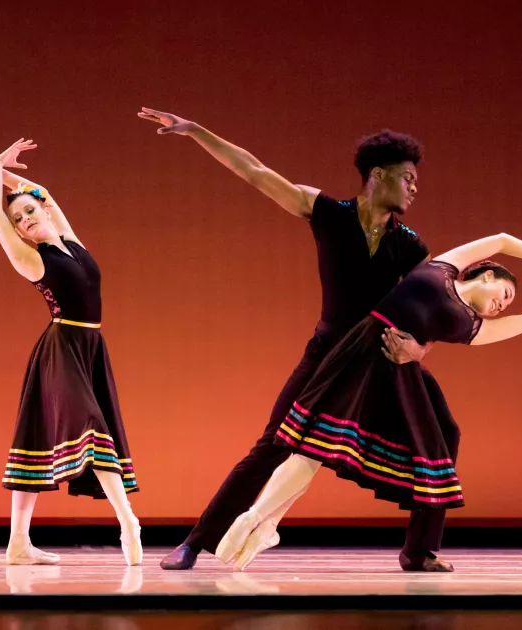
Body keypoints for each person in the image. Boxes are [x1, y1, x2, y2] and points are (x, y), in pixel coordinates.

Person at [139, 107, 459, 571]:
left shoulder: (410, 246)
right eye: (407, 177)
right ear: (378, 175)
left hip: (380, 361)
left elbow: (433, 310)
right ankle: (195, 542)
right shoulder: (328, 214)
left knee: (443, 432)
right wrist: (195, 132)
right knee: (273, 445)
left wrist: (419, 350)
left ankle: (419, 550)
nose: (414, 187)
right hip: (327, 354)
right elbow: (253, 170)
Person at [216, 235, 522, 570]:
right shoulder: (444, 267)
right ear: (486, 273)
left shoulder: (470, 324)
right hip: (364, 353)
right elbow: (501, 240)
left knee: (445, 436)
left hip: (399, 371)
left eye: (507, 303)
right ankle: (260, 518)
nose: (503, 304)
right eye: (505, 292)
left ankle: (419, 550)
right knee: (315, 447)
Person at [0, 140, 142, 566]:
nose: (26, 219)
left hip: (90, 349)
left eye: (30, 212)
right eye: (19, 220)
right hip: (61, 349)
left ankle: (17, 544)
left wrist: (5, 172)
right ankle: (128, 523)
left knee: (35, 439)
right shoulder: (32, 260)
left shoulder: (71, 241)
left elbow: (42, 191)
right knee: (91, 424)